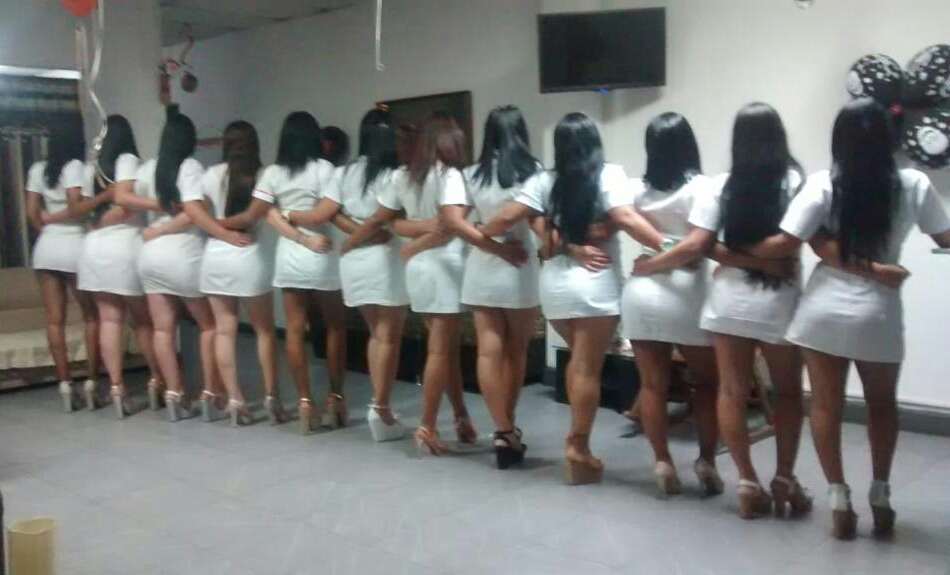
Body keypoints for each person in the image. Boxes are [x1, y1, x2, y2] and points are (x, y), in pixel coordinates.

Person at [744, 98, 950, 539]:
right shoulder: (913, 183)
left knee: (824, 405)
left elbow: (786, 242)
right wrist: (880, 268)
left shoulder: (823, 184)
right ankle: (880, 492)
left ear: (839, 139)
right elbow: (945, 237)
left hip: (823, 311)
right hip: (879, 312)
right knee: (882, 405)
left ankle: (838, 497)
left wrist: (727, 250)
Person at [639, 103, 811, 518]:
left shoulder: (720, 185)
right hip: (779, 303)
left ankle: (747, 483)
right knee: (788, 393)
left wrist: (741, 257)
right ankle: (784, 478)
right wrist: (765, 263)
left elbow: (704, 245)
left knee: (731, 391)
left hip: (728, 302)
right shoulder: (795, 182)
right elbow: (793, 241)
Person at [481, 112, 663, 483]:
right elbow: (627, 218)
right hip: (596, 282)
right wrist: (673, 247)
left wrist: (488, 231)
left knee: (578, 363)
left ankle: (577, 447)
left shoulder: (543, 180)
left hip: (556, 287)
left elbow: (502, 219)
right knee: (585, 368)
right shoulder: (609, 174)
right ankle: (577, 448)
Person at [342, 113, 477, 451]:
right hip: (443, 267)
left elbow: (390, 222)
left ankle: (460, 415)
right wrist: (421, 239)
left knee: (445, 350)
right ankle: (427, 427)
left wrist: (411, 242)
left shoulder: (404, 176)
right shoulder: (450, 175)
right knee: (440, 350)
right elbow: (449, 227)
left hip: (418, 269)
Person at [283, 109, 407, 437]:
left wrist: (352, 237)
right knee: (388, 335)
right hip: (384, 257)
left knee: (375, 333)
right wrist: (362, 236)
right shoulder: (394, 174)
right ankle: (381, 410)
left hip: (353, 261)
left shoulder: (344, 172)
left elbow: (332, 213)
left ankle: (380, 406)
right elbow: (382, 219)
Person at [620, 112, 722, 497]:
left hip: (641, 292)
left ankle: (662, 462)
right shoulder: (703, 188)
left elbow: (614, 220)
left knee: (652, 385)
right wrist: (669, 258)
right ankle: (706, 461)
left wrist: (651, 262)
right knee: (708, 384)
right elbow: (695, 247)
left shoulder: (635, 191)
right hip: (687, 296)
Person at [440, 105, 541, 468]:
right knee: (517, 352)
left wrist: (491, 246)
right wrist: (506, 248)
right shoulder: (533, 171)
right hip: (520, 265)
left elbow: (454, 222)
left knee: (488, 352)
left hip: (482, 268)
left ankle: (503, 429)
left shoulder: (467, 174)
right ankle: (507, 428)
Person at [180, 121, 273, 427]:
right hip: (249, 256)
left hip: (216, 259)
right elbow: (251, 217)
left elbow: (192, 209)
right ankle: (271, 396)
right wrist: (231, 231)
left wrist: (217, 229)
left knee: (224, 330)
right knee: (264, 331)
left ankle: (234, 399)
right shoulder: (265, 174)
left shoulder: (212, 175)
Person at [258, 111, 344, 434]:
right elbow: (325, 212)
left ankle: (305, 401)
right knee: (335, 326)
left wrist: (292, 221)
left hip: (290, 255)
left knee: (294, 330)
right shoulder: (324, 169)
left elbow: (269, 214)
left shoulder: (272, 173)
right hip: (320, 253)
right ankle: (335, 397)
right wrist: (308, 234)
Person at [137, 110, 224, 421]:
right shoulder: (189, 167)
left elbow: (129, 199)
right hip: (183, 252)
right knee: (209, 325)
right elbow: (192, 214)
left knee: (163, 328)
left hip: (150, 256)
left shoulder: (147, 169)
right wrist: (164, 228)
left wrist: (155, 229)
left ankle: (174, 394)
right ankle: (209, 393)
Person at [77, 115, 162, 418]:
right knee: (143, 321)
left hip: (93, 248)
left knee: (109, 320)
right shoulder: (127, 160)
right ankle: (157, 380)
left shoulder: (90, 167)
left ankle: (116, 387)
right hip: (123, 246)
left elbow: (84, 210)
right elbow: (125, 204)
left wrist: (96, 223)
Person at [25, 124, 103, 412]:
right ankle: (92, 381)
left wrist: (46, 226)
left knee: (54, 320)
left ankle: (65, 384)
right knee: (91, 316)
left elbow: (31, 212)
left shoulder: (38, 169)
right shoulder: (76, 167)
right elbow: (75, 207)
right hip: (74, 247)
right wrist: (103, 197)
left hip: (46, 247)